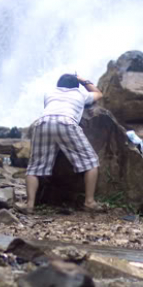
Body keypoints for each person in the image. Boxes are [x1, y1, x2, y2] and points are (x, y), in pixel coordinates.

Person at [19, 73, 104, 214]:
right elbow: (98, 93)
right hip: (66, 122)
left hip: (43, 123)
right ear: (76, 86)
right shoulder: (79, 94)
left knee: (34, 168)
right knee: (91, 162)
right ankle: (89, 202)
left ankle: (29, 205)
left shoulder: (49, 93)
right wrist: (83, 81)